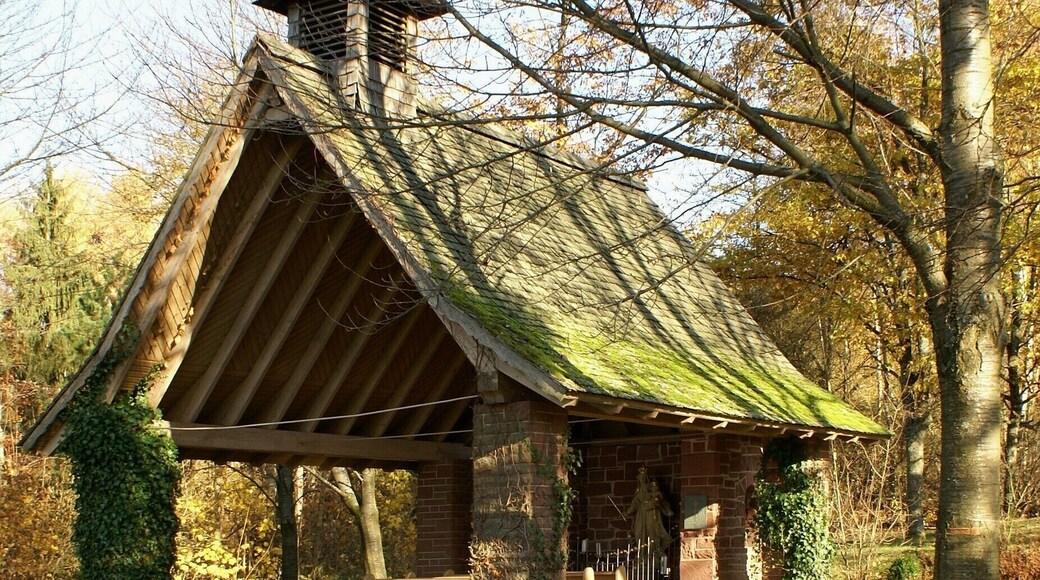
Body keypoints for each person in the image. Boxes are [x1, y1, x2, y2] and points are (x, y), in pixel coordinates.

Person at [625, 467, 673, 551]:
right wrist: (627, 513)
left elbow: (658, 501)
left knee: (653, 532)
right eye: (641, 479)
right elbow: (634, 504)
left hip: (652, 514)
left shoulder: (654, 491)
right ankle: (642, 552)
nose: (643, 480)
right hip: (641, 515)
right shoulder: (639, 492)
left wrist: (652, 503)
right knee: (639, 532)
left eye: (644, 478)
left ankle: (654, 551)